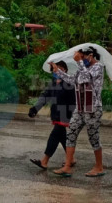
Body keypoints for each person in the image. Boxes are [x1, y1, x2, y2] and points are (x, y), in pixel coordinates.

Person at [49, 46, 105, 177]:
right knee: (71, 134)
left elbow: (86, 78)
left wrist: (79, 62)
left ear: (90, 55)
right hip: (80, 108)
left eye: (83, 56)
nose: (81, 59)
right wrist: (58, 71)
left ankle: (99, 167)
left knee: (93, 138)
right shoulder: (81, 69)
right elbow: (72, 80)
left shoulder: (99, 67)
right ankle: (67, 166)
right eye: (80, 57)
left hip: (92, 108)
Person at [28, 61, 76, 170]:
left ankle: (44, 161)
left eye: (57, 68)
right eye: (54, 68)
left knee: (55, 135)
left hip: (65, 115)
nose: (55, 71)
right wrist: (35, 109)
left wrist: (70, 116)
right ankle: (71, 158)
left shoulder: (70, 83)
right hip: (56, 114)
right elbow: (45, 96)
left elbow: (74, 102)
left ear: (64, 70)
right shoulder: (54, 83)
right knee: (62, 137)